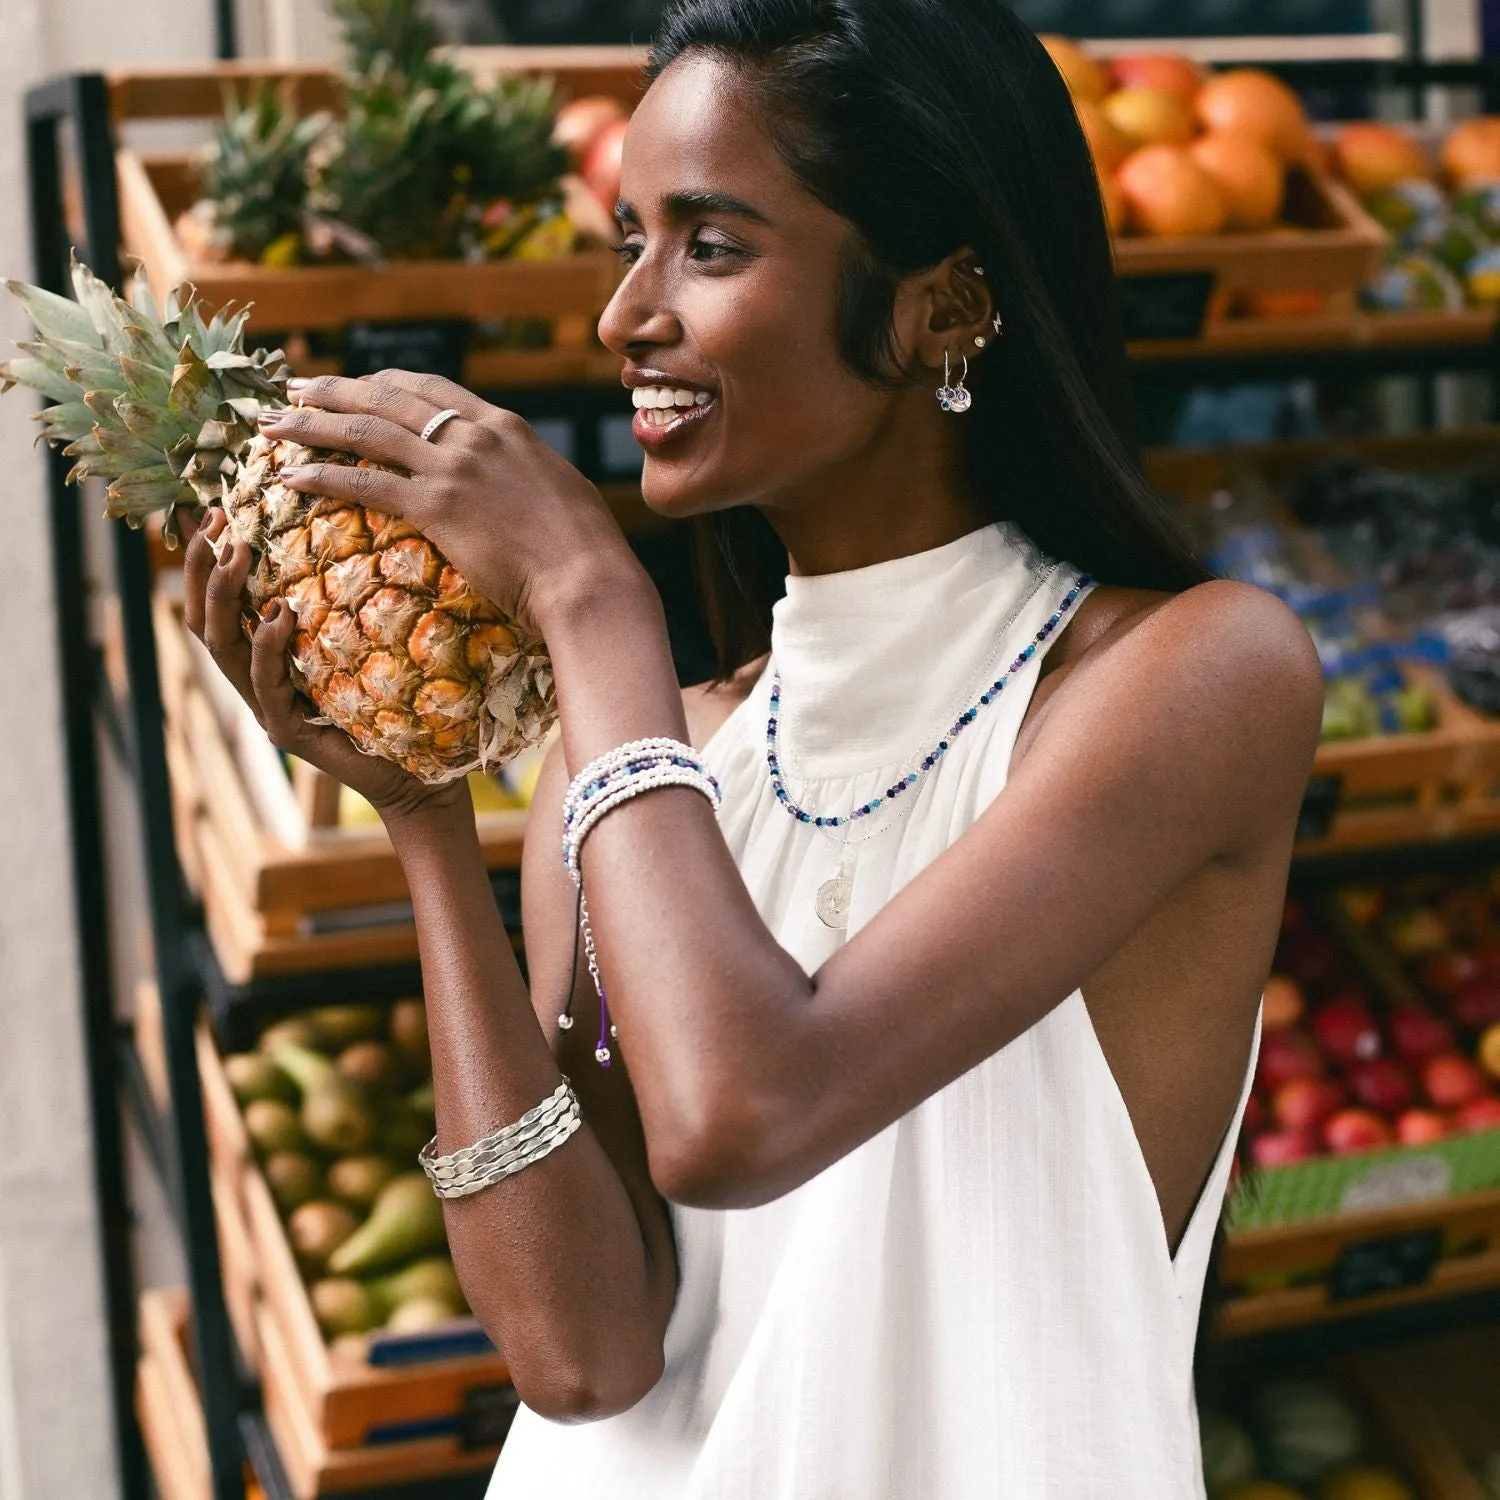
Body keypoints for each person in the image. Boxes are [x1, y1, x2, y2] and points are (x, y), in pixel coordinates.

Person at [181, 1, 1323, 1493]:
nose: (624, 316)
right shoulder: (666, 754)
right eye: (626, 242)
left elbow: (743, 1113)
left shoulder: (1197, 674)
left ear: (943, 304)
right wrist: (427, 821)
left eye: (709, 245)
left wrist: (590, 598)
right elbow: (581, 1353)